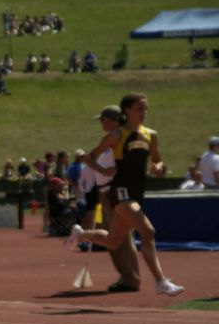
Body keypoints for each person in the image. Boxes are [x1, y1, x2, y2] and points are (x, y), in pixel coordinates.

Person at [67, 94, 184, 296]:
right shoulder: (117, 135)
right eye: (139, 108)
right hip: (120, 191)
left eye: (145, 109)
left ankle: (81, 235)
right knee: (148, 232)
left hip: (137, 191)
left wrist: (158, 167)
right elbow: (89, 158)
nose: (143, 112)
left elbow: (158, 161)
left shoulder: (151, 135)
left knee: (114, 240)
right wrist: (104, 172)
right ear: (127, 110)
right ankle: (160, 281)